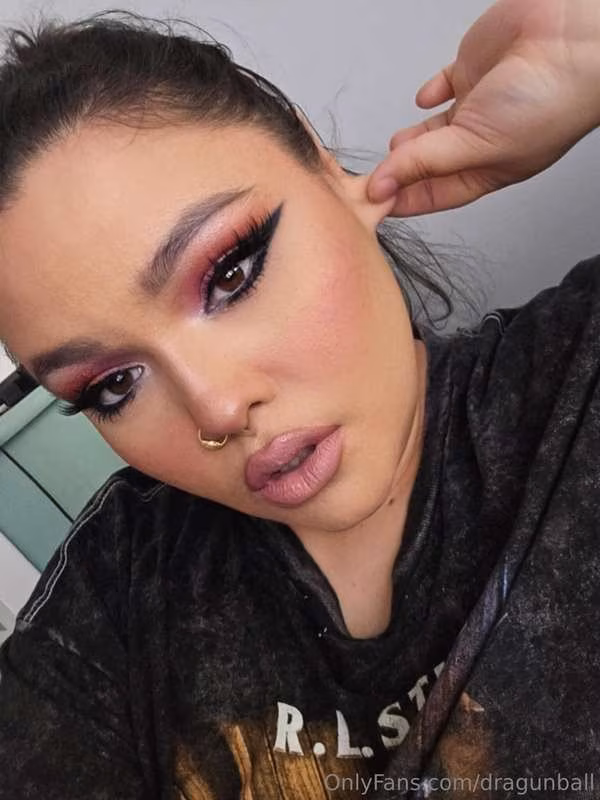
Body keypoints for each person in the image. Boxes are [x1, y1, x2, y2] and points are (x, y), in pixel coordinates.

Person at [0, 0, 599, 796]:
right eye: (113, 385)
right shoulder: (118, 603)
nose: (216, 409)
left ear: (322, 166)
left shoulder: (576, 379)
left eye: (230, 274)